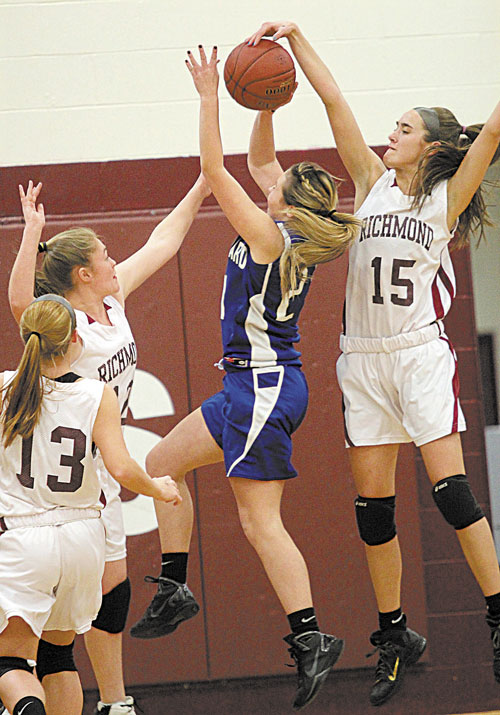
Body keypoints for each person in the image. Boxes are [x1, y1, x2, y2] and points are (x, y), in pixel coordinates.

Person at [247, 20, 500, 708]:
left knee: (451, 494)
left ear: (434, 147)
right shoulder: (369, 181)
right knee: (373, 512)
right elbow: (334, 103)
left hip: (417, 353)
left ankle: (499, 611)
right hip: (360, 361)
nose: (390, 135)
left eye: (404, 128)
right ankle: (394, 632)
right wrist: (296, 39)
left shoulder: (441, 197)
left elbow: (494, 133)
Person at [129, 45, 361, 711]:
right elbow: (261, 162)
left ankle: (312, 634)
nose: (271, 179)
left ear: (288, 202)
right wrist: (263, 105)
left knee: (260, 524)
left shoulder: (268, 234)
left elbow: (216, 169)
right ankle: (175, 585)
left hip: (262, 388)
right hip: (247, 387)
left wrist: (209, 98)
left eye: (280, 182)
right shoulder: (284, 224)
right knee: (160, 464)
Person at [8, 175, 210, 715]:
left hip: (96, 470)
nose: (115, 260)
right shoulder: (68, 325)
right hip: (81, 475)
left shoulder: (112, 301)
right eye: (105, 255)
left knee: (111, 594)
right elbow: (21, 300)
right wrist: (31, 233)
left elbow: (163, 243)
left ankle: (114, 701)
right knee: (79, 608)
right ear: (83, 273)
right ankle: (79, 697)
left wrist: (201, 183)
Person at [0, 295, 180, 715]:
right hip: (84, 541)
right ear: (75, 340)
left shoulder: (4, 388)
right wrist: (158, 488)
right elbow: (121, 468)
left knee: (11, 663)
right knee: (58, 658)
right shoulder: (97, 395)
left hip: (25, 539)